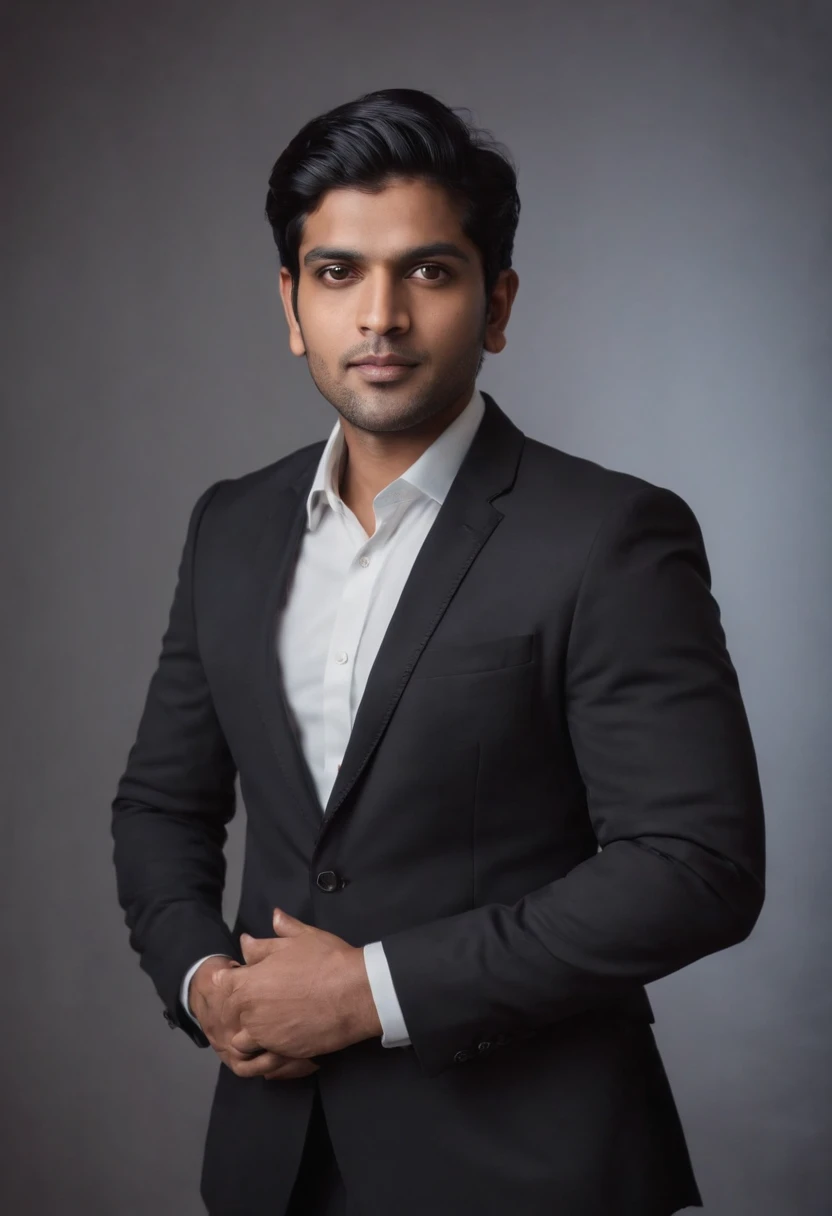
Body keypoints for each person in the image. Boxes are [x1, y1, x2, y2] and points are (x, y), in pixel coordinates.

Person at [111, 87, 766, 1216]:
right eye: (336, 273)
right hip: (276, 1166)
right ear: (289, 303)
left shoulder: (608, 534)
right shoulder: (229, 525)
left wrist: (368, 991)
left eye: (427, 270)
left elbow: (693, 864)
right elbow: (160, 807)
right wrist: (205, 981)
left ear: (496, 301)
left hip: (532, 1172)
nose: (379, 317)